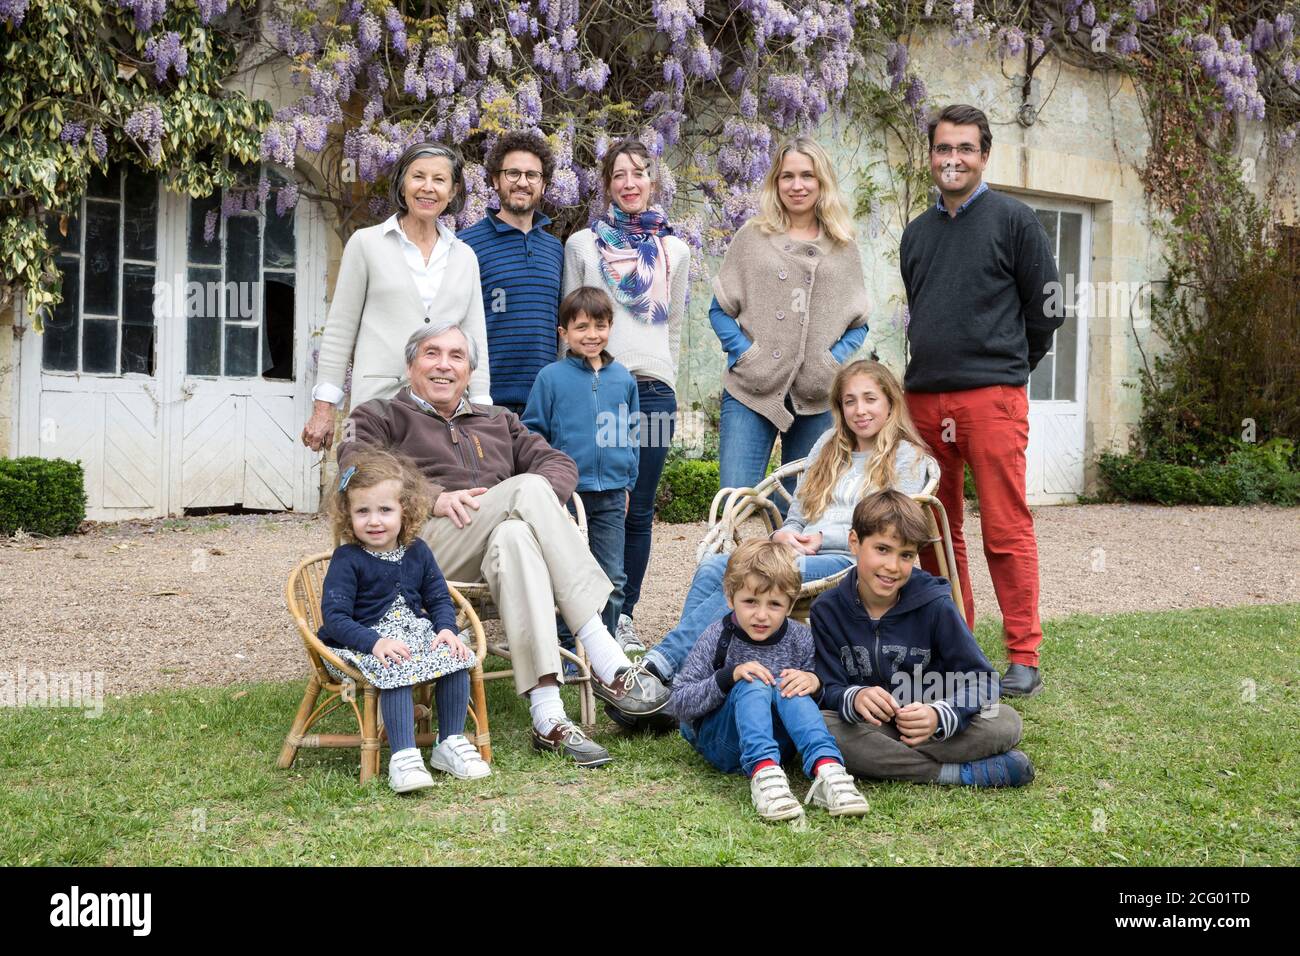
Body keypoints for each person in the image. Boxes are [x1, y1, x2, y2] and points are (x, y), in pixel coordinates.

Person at [336, 321, 669, 768]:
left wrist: (534, 507)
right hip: (421, 552)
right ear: (411, 364)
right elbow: (355, 466)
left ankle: (548, 716)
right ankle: (606, 654)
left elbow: (558, 463)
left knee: (516, 534)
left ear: (469, 371)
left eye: (456, 356)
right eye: (432, 354)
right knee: (526, 490)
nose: (444, 365)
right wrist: (432, 497)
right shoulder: (378, 415)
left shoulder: (497, 420)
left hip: (494, 550)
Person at [899, 104, 1063, 698]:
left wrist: (1010, 369)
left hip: (992, 399)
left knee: (1003, 525)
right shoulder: (916, 233)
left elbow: (1048, 309)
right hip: (923, 402)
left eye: (965, 148)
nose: (953, 159)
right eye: (943, 148)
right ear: (931, 156)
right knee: (934, 532)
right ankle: (957, 646)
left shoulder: (1016, 220)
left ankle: (1023, 655)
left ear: (984, 155)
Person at [642, 359, 933, 690]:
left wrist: (823, 538)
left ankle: (659, 667)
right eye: (849, 401)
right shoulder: (828, 444)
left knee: (756, 574)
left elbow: (892, 528)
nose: (859, 410)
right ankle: (689, 677)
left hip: (851, 559)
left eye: (870, 399)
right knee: (713, 568)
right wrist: (786, 532)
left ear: (890, 402)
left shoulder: (906, 455)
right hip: (799, 552)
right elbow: (799, 510)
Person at [563, 138, 691, 655]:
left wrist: (667, 376)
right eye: (619, 174)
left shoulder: (675, 250)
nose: (630, 183)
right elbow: (569, 320)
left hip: (653, 391)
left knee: (638, 507)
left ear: (653, 181)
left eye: (639, 173)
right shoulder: (582, 245)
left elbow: (674, 326)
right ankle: (582, 615)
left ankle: (625, 616)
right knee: (592, 503)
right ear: (607, 184)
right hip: (596, 384)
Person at [812, 490, 1033, 787]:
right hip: (872, 726)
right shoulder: (826, 610)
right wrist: (855, 697)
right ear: (854, 542)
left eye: (905, 555)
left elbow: (983, 679)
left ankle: (891, 761)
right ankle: (955, 774)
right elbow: (827, 687)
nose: (892, 566)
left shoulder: (935, 604)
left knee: (1004, 721)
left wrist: (939, 716)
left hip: (932, 724)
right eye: (882, 549)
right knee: (823, 727)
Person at [709, 136, 871, 511]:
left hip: (816, 394)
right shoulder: (753, 237)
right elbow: (719, 310)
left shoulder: (843, 245)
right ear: (776, 182)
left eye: (807, 176)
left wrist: (830, 361)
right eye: (787, 176)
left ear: (822, 181)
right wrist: (745, 354)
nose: (797, 185)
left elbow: (859, 323)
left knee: (801, 510)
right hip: (751, 388)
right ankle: (733, 555)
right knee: (734, 503)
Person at [318, 447, 489, 793]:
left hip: (412, 635)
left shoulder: (418, 551)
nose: (374, 521)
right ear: (348, 515)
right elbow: (335, 618)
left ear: (405, 511)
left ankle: (449, 742)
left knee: (455, 654)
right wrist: (375, 642)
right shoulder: (347, 559)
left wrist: (446, 629)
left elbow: (438, 598)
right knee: (395, 661)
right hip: (358, 644)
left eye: (385, 510)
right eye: (362, 511)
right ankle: (404, 756)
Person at [302, 142, 491, 452]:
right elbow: (340, 329)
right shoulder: (366, 244)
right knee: (371, 479)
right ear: (403, 184)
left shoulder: (464, 256)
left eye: (439, 180)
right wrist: (324, 407)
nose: (428, 188)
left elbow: (474, 338)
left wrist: (481, 406)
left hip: (443, 409)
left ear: (453, 191)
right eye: (418, 177)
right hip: (377, 403)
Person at [669, 539, 871, 822]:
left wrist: (814, 683)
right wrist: (727, 677)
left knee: (793, 686)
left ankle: (828, 770)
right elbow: (679, 703)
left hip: (783, 747)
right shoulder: (717, 637)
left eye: (774, 604)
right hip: (725, 743)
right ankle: (763, 774)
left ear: (790, 604)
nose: (761, 615)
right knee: (753, 681)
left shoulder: (801, 639)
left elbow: (826, 696)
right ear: (730, 598)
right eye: (750, 602)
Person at [522, 286, 639, 643]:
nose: (592, 335)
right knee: (568, 576)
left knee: (613, 578)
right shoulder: (550, 378)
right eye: (582, 327)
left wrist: (628, 483)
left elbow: (632, 434)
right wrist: (548, 485)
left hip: (612, 494)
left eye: (600, 326)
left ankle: (605, 651)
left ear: (610, 327)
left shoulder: (624, 379)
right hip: (567, 497)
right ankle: (569, 648)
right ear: (564, 333)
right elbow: (532, 433)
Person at [458, 131, 564, 416]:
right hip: (484, 401)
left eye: (532, 175)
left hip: (544, 402)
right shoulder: (465, 245)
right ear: (496, 180)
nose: (523, 182)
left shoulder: (555, 249)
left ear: (544, 184)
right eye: (513, 173)